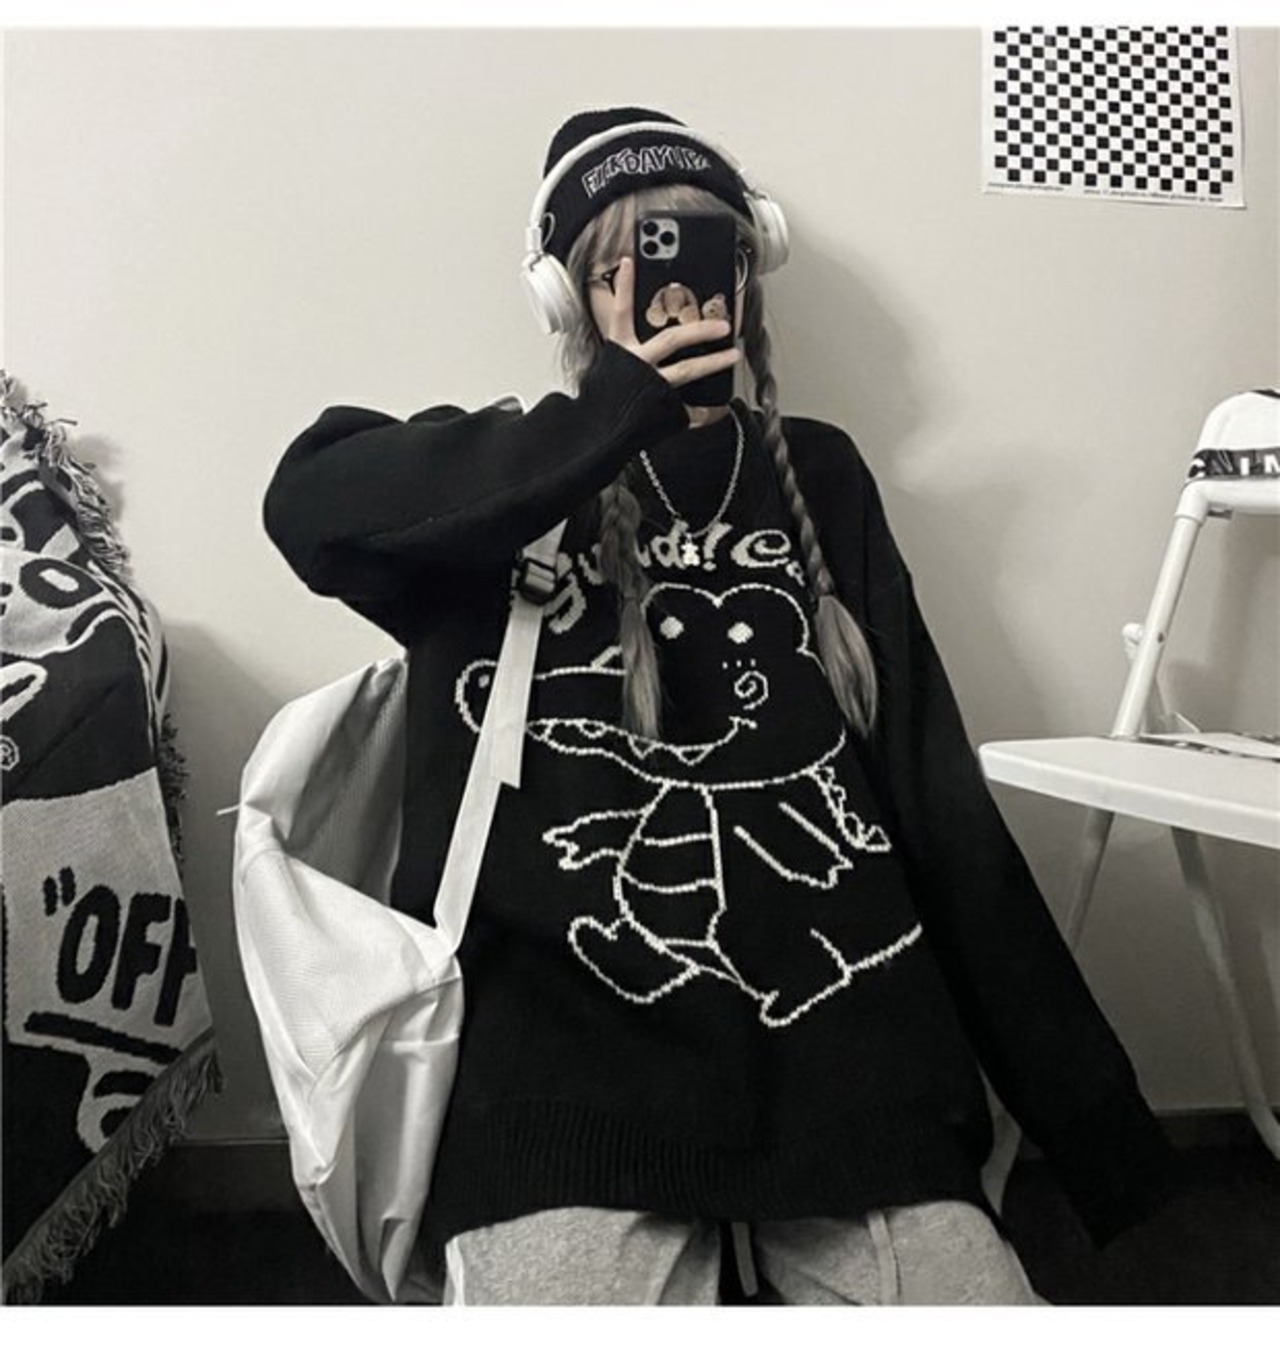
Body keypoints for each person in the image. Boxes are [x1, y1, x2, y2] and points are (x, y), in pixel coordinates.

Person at [262, 107, 1174, 1306]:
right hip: (562, 1070)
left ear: (748, 276)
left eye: (705, 250)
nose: (673, 287)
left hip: (848, 1060)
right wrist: (607, 416)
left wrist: (1092, 1122)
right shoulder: (498, 486)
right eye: (624, 261)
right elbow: (308, 506)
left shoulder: (820, 476)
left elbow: (932, 798)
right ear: (565, 296)